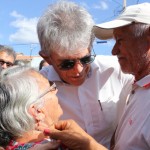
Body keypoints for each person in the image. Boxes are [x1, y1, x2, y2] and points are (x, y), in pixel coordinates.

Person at [43, 2, 150, 150]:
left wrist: (88, 146)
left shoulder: (118, 70)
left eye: (86, 59)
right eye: (67, 63)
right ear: (47, 58)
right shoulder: (36, 87)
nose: (78, 70)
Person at [0, 66, 65, 149]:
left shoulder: (8, 144)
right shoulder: (54, 147)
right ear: (37, 111)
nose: (56, 91)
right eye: (51, 88)